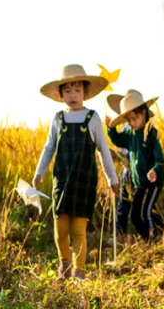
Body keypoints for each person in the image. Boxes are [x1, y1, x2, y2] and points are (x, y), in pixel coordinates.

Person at [32, 64, 119, 280]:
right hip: (61, 180)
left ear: (85, 92)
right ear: (61, 95)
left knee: (79, 230)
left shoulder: (93, 118)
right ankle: (65, 265)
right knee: (61, 228)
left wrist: (112, 178)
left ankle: (79, 272)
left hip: (84, 181)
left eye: (77, 90)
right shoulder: (58, 119)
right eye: (68, 91)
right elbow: (49, 147)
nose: (73, 95)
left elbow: (103, 150)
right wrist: (39, 172)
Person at [105, 89, 164, 242]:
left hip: (152, 182)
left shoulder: (150, 134)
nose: (132, 123)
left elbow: (160, 160)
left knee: (146, 212)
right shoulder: (130, 135)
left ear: (144, 113)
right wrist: (111, 128)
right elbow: (118, 140)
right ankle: (149, 237)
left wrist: (154, 170)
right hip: (140, 184)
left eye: (135, 119)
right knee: (134, 216)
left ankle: (156, 237)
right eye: (129, 120)